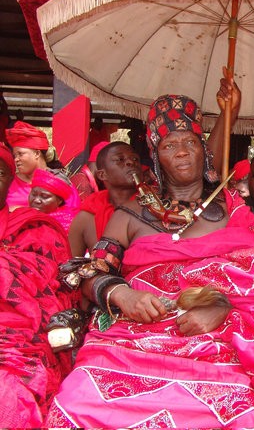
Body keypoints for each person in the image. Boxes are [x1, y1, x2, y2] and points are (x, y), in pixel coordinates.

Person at [46, 94, 254, 428]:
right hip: (133, 339)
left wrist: (225, 308)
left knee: (241, 413)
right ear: (156, 156)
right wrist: (124, 295)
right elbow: (91, 272)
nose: (180, 151)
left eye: (189, 142)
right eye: (168, 145)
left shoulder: (231, 211)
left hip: (215, 340)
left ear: (204, 149)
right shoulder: (130, 215)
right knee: (76, 404)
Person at [0, 143, 72, 426]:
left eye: (0, 172)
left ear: (11, 182)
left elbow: (51, 290)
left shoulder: (35, 228)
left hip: (16, 340)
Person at [68, 142, 141, 257]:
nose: (130, 162)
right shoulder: (86, 217)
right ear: (102, 175)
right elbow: (70, 266)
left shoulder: (155, 208)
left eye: (135, 159)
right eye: (120, 159)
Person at [5, 121, 51, 210]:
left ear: (37, 153)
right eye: (15, 155)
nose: (16, 159)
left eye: (20, 154)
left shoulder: (59, 181)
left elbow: (71, 214)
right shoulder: (7, 183)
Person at [28, 168, 80, 233]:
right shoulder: (23, 217)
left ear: (59, 201)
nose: (36, 200)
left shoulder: (66, 226)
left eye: (45, 196)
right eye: (34, 194)